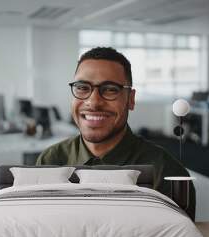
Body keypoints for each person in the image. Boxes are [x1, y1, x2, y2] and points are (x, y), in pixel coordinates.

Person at [36, 47, 195, 220]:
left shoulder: (164, 171)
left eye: (110, 89)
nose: (94, 102)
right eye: (82, 87)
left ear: (131, 99)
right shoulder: (50, 161)